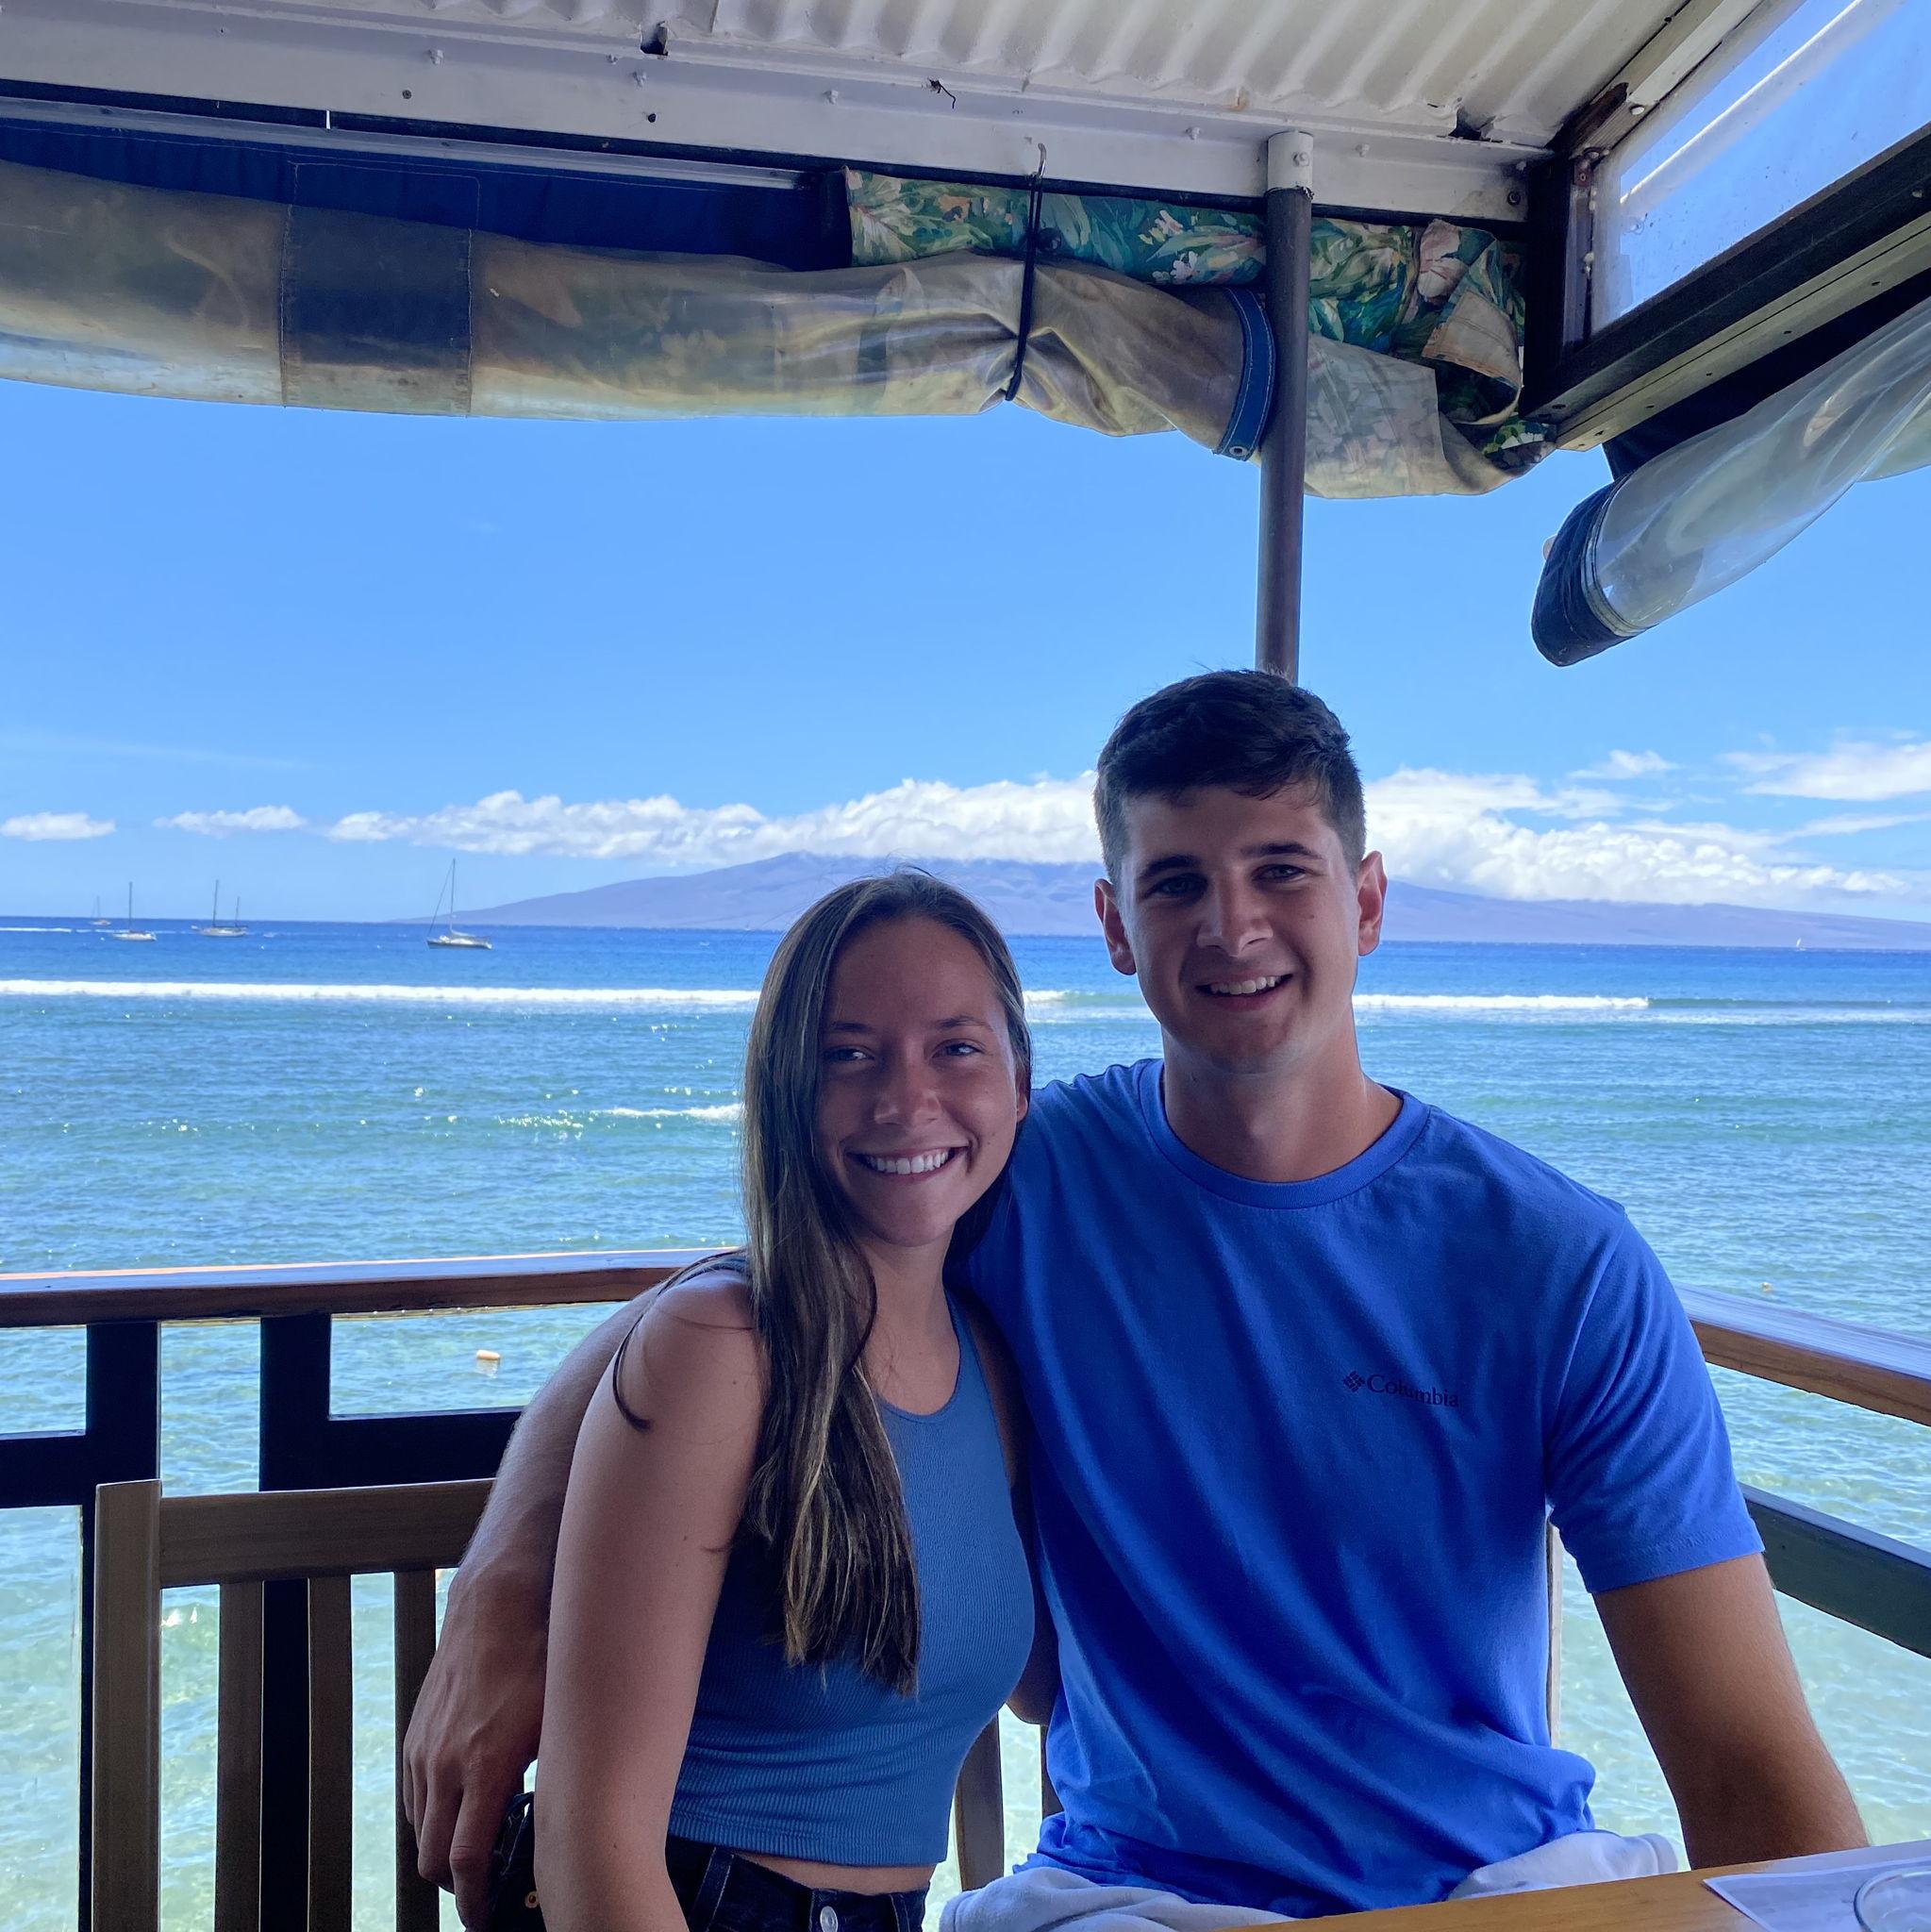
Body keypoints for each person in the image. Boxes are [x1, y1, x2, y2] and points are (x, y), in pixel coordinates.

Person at [407, 672, 1864, 1929]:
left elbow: (1739, 1755)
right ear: (1113, 926)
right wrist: (510, 1574)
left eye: (1280, 870)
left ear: (1363, 901)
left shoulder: (1556, 1264)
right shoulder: (1020, 1177)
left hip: (1480, 1887)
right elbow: (736, 1305)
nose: (1230, 927)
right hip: (1129, 1894)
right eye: (1175, 883)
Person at [502, 872, 1053, 1932]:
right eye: (848, 1054)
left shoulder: (987, 1357)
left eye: (956, 1048)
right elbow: (591, 1836)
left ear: (1019, 1085)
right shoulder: (722, 1349)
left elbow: (1041, 1686)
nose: (906, 1100)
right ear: (783, 1090)